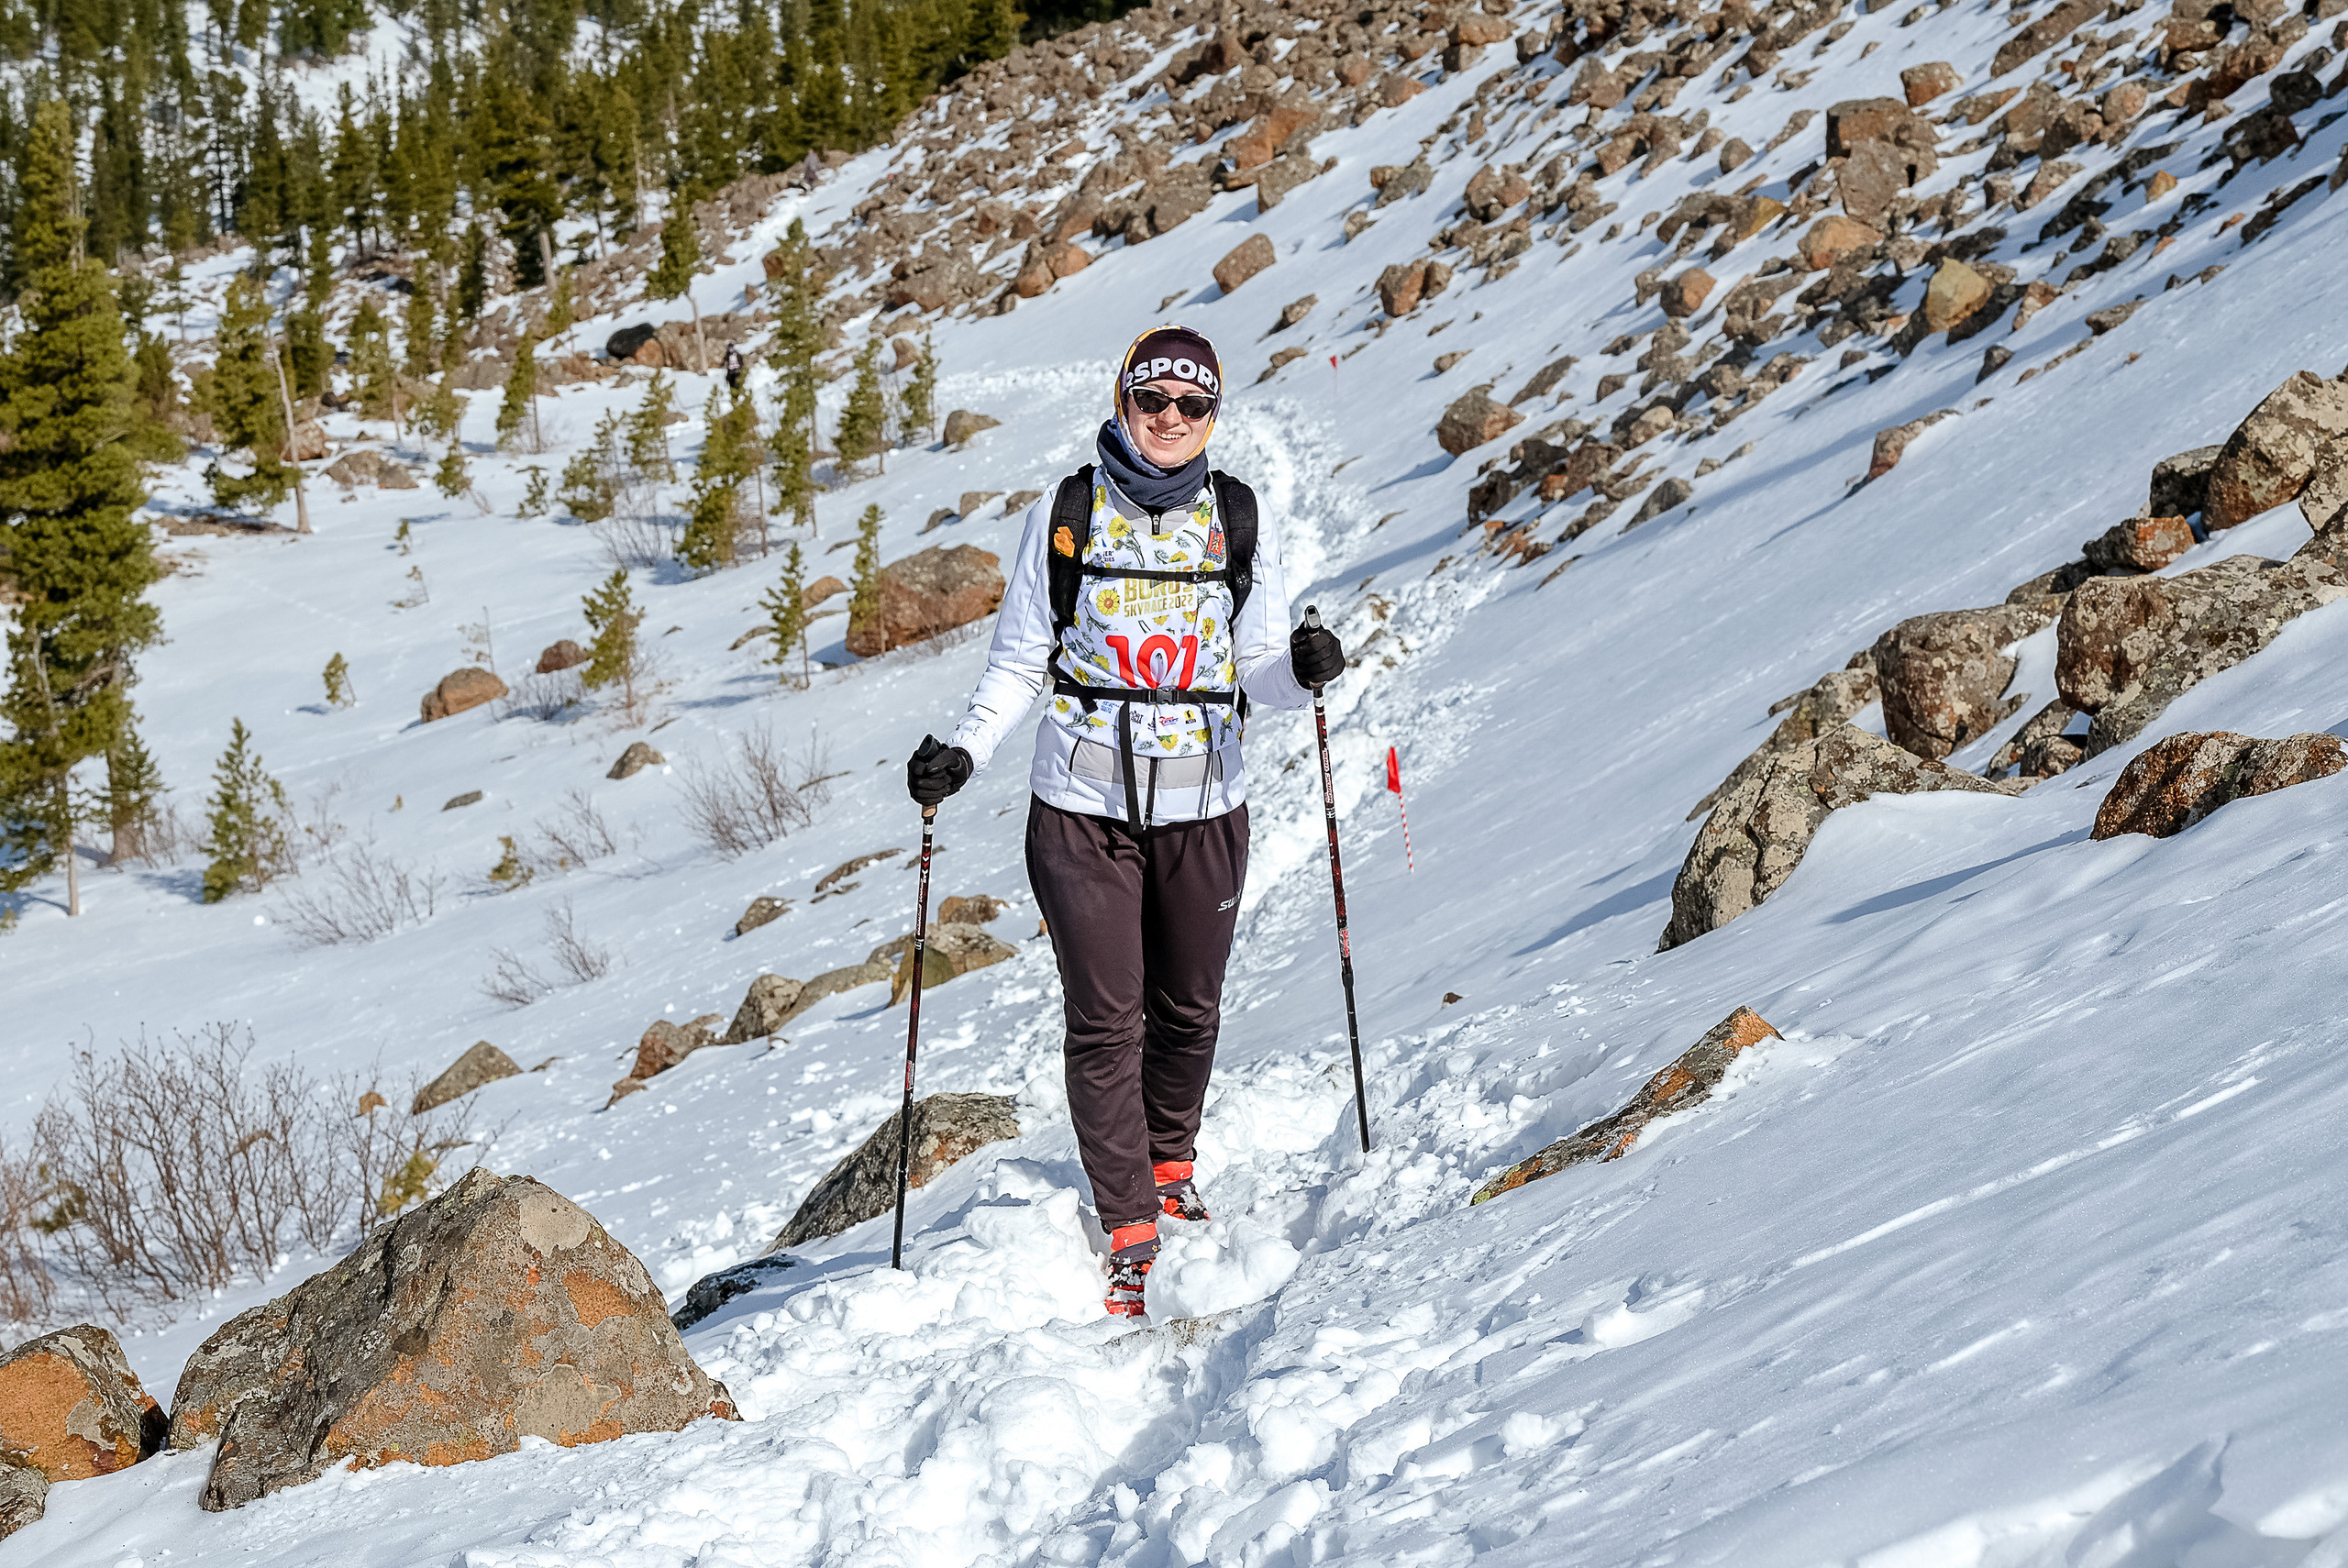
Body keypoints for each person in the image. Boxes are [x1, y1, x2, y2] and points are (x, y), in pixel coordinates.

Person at [906, 325, 1346, 1319]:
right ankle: (1129, 1223)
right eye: (1154, 399)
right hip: (1081, 808)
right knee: (1106, 1020)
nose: (1171, 418)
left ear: (1213, 415)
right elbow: (1021, 659)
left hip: (1204, 802)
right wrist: (965, 751)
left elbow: (1261, 674)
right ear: (1124, 400)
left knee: (1189, 1007)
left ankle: (1170, 1162)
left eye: (1193, 404)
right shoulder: (1066, 512)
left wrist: (1305, 669)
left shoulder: (1237, 517)